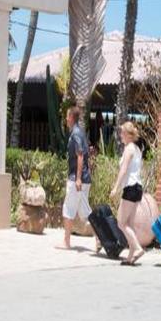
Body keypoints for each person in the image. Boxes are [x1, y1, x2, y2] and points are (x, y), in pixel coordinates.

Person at [110, 121, 145, 265]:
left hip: (130, 187)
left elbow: (123, 170)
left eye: (122, 133)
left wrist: (116, 187)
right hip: (137, 188)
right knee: (129, 223)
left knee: (121, 222)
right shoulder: (136, 149)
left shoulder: (129, 149)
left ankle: (137, 248)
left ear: (129, 135)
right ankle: (131, 255)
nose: (120, 136)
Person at [62, 106, 92, 249]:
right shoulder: (80, 132)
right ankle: (99, 238)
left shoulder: (75, 134)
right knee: (84, 212)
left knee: (68, 208)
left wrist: (78, 178)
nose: (66, 119)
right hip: (84, 178)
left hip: (77, 179)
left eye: (67, 117)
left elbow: (80, 155)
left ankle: (66, 242)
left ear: (71, 118)